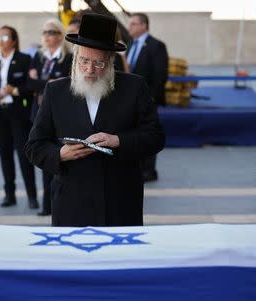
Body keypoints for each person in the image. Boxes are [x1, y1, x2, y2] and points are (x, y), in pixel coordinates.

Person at [25, 14, 165, 227]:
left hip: (121, 203)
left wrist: (118, 140)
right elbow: (34, 146)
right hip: (71, 204)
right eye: (84, 61)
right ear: (76, 57)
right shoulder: (56, 91)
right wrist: (60, 154)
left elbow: (156, 137)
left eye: (99, 63)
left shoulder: (134, 87)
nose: (90, 69)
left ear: (110, 60)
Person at [0, 25, 38, 208]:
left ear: (13, 40)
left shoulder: (25, 59)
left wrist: (15, 90)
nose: (1, 42)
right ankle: (9, 195)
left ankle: (32, 196)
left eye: (4, 38)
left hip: (19, 114)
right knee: (4, 154)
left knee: (24, 155)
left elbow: (30, 86)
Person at [28, 19, 73, 216]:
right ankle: (47, 205)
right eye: (45, 32)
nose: (48, 36)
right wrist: (48, 82)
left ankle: (59, 202)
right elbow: (30, 85)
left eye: (52, 32)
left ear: (60, 35)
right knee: (44, 159)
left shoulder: (68, 58)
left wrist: (41, 81)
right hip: (39, 114)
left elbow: (64, 85)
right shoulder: (38, 57)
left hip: (60, 118)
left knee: (60, 160)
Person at [127, 13, 168, 182]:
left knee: (148, 133)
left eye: (133, 24)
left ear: (144, 25)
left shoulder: (156, 45)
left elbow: (160, 76)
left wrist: (150, 99)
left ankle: (149, 171)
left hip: (148, 100)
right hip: (130, 100)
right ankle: (138, 167)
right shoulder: (129, 45)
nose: (129, 28)